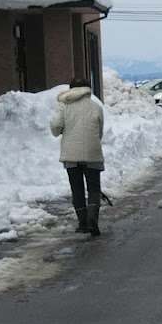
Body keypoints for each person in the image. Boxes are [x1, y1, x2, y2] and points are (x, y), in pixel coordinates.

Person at [50, 77, 105, 236]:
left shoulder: (64, 105)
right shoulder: (95, 106)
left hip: (71, 155)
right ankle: (92, 219)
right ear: (88, 89)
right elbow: (99, 132)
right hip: (92, 152)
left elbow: (55, 128)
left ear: (70, 89)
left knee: (77, 189)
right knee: (94, 189)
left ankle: (82, 223)